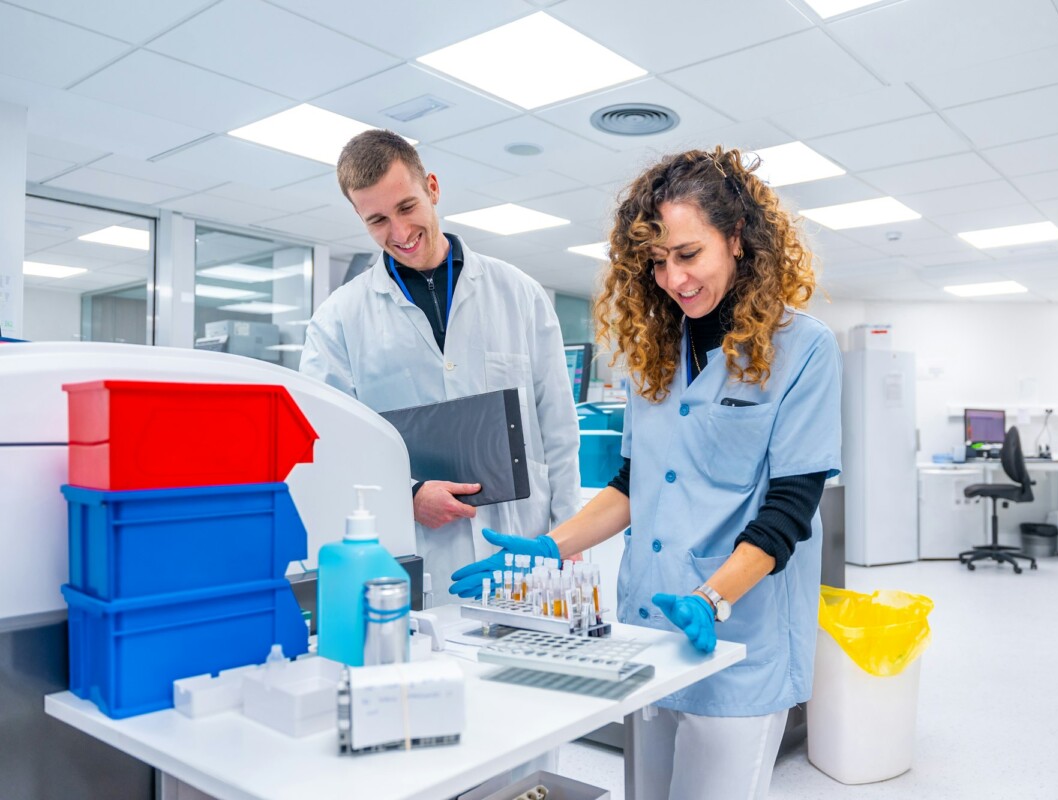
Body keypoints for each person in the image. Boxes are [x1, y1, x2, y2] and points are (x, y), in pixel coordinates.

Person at [451, 147, 842, 800]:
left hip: (738, 635)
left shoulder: (803, 348)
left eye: (688, 255)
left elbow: (790, 509)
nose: (673, 279)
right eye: (656, 262)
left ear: (738, 239)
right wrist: (550, 549)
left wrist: (711, 598)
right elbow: (637, 484)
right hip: (645, 630)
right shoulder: (653, 354)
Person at [300, 129, 581, 606]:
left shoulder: (520, 295)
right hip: (416, 559)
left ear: (432, 187)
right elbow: (323, 442)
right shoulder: (339, 319)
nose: (399, 232)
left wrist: (568, 541)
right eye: (377, 220)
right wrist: (407, 495)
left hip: (523, 550)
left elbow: (558, 428)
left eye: (407, 208)